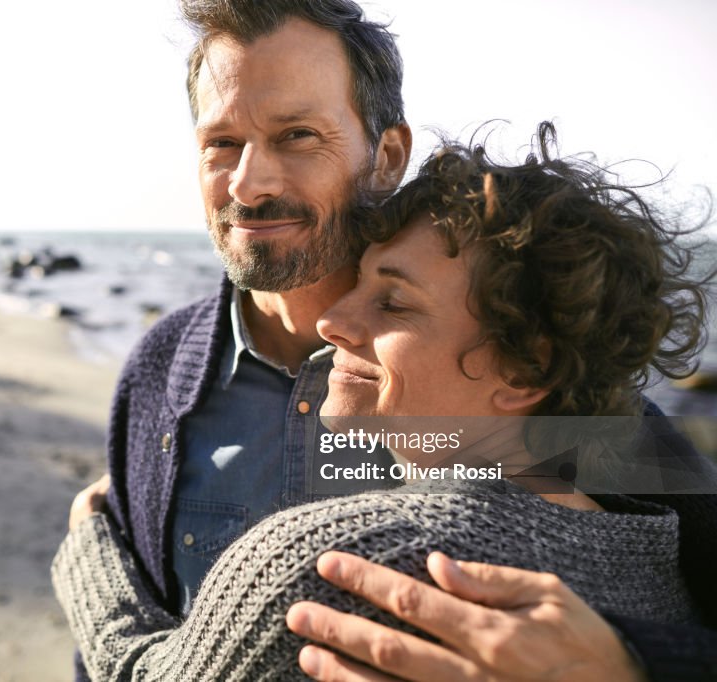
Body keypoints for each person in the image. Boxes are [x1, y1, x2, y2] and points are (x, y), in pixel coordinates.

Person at [73, 0, 717, 678]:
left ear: (387, 156)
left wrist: (632, 666)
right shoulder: (159, 371)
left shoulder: (533, 379)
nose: (249, 183)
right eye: (222, 143)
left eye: (296, 135)